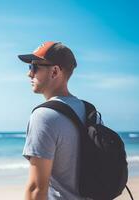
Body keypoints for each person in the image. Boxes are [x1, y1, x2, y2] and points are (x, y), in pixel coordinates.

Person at [18, 41, 87, 200]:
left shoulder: (44, 116)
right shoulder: (91, 112)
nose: (29, 74)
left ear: (55, 71)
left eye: (34, 67)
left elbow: (36, 189)